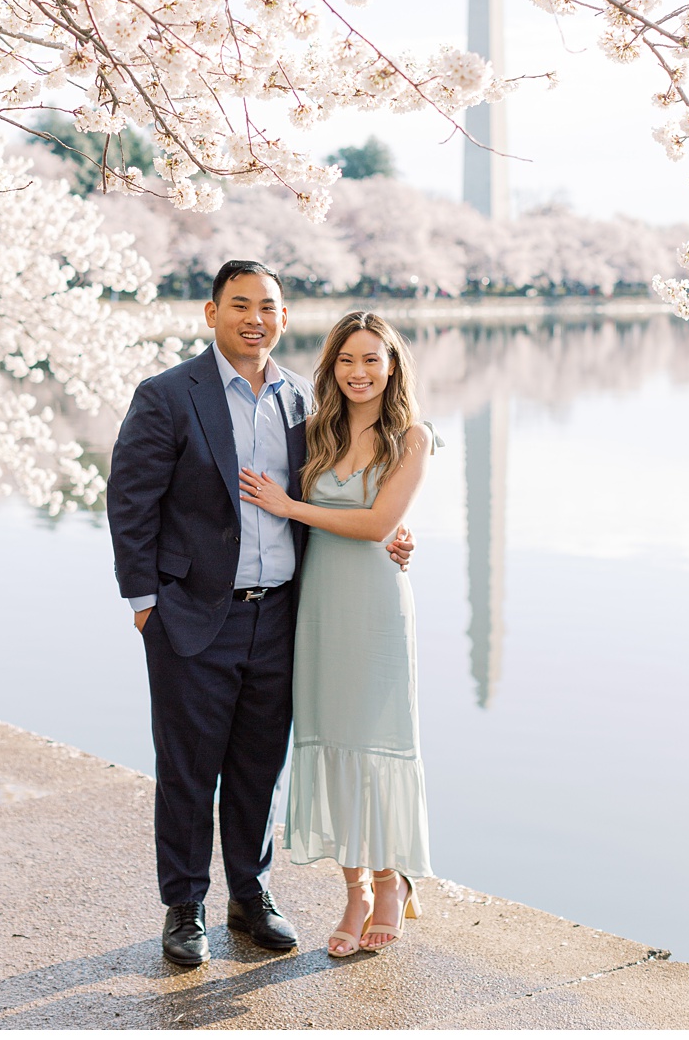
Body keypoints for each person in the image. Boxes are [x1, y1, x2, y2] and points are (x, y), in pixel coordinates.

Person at [108, 261, 414, 966]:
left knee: (258, 764)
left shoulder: (303, 401)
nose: (255, 317)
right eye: (239, 304)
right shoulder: (167, 395)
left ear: (283, 316)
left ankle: (251, 894)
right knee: (188, 767)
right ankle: (184, 906)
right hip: (189, 616)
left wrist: (391, 531)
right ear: (210, 312)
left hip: (282, 614)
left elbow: (345, 490)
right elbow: (129, 501)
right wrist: (145, 602)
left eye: (268, 306)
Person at [238, 311, 437, 957]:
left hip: (376, 606)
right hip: (319, 603)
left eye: (371, 359)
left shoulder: (413, 437)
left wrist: (294, 505)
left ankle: (388, 880)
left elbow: (380, 517)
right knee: (327, 737)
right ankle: (352, 888)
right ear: (332, 367)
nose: (359, 372)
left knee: (374, 743)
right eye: (347, 359)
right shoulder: (313, 432)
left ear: (392, 365)